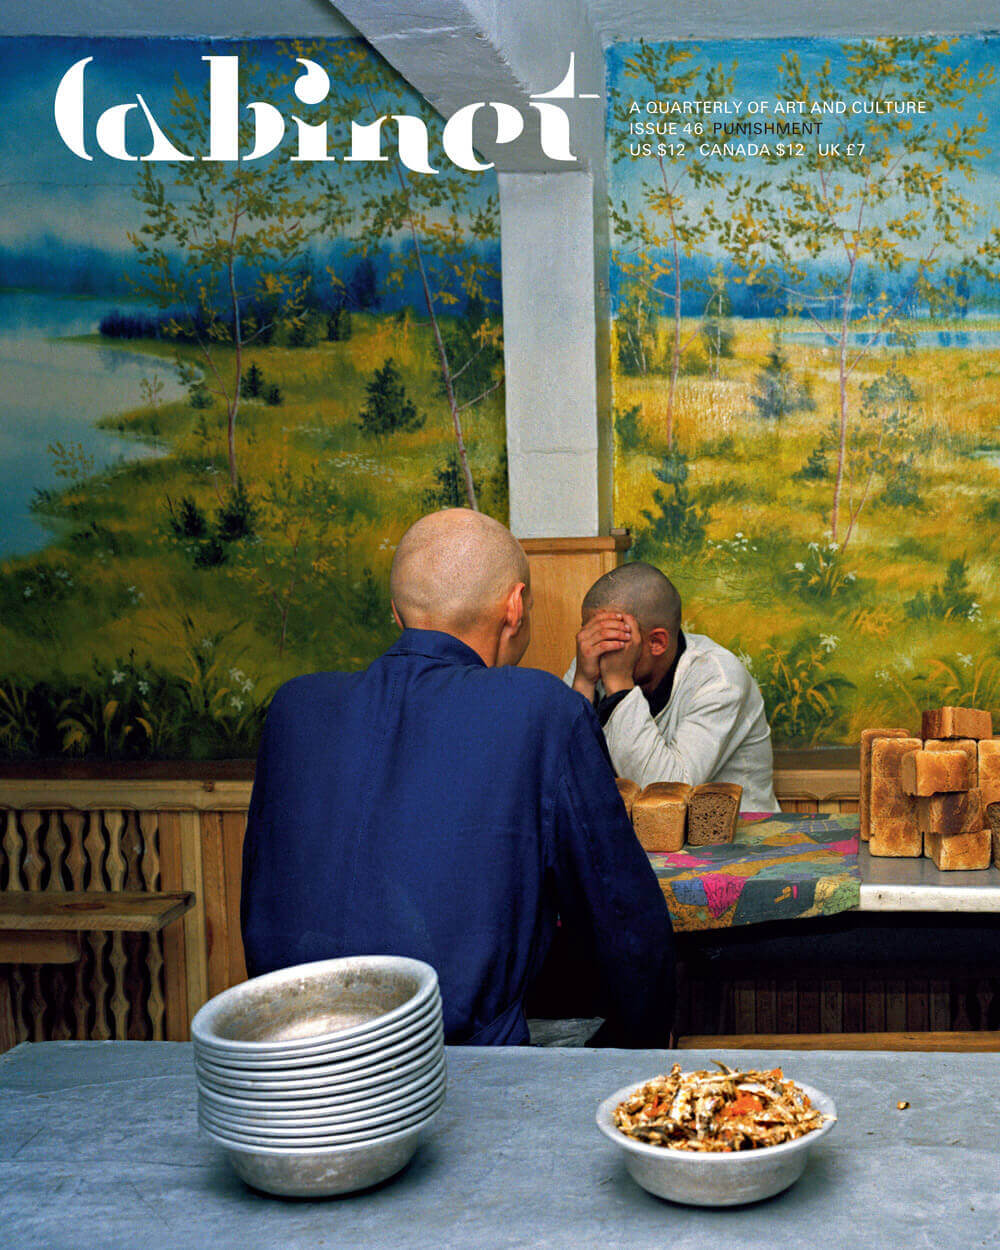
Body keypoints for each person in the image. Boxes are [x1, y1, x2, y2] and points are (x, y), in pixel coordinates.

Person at [241, 509, 675, 1047]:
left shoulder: (295, 710)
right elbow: (624, 923)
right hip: (459, 1072)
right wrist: (641, 1055)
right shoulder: (540, 709)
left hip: (288, 1061)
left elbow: (262, 900)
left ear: (397, 613)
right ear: (514, 608)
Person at [566, 561, 778, 812]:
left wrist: (620, 687)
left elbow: (665, 796)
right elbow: (558, 774)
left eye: (609, 637)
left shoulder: (720, 678)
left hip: (739, 838)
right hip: (641, 840)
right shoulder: (595, 663)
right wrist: (582, 683)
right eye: (590, 633)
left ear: (656, 642)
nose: (594, 647)